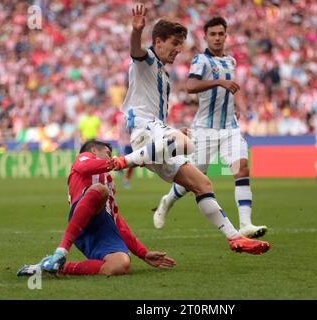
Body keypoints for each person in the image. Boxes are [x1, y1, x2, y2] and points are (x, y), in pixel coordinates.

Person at [113, 4, 270, 255]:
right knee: (188, 144)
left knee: (203, 183)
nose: (178, 50)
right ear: (158, 41)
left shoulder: (163, 73)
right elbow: (136, 50)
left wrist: (172, 130)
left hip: (156, 135)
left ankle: (234, 238)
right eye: (174, 43)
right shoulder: (147, 60)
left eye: (180, 44)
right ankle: (123, 162)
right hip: (143, 132)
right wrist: (135, 31)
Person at [152, 17, 267, 238]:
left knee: (241, 168)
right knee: (193, 180)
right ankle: (167, 201)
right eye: (212, 34)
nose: (217, 38)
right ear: (205, 36)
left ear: (226, 36)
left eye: (220, 34)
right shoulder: (200, 61)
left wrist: (236, 106)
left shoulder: (231, 61)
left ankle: (245, 224)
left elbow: (231, 91)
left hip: (230, 128)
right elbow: (190, 86)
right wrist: (219, 82)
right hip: (205, 129)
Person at [17, 140, 176, 277]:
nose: (110, 156)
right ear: (94, 150)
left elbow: (116, 220)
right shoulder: (84, 158)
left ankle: (56, 266)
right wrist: (116, 162)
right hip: (83, 217)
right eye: (107, 153)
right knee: (100, 190)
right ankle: (61, 251)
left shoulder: (108, 182)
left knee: (121, 264)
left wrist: (143, 253)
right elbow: (86, 167)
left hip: (103, 227)